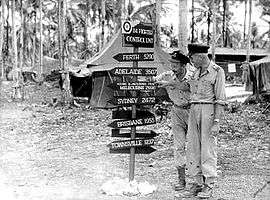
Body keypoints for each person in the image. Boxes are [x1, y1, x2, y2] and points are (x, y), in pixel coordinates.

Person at [183, 44, 226, 198]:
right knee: (193, 148)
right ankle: (197, 182)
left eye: (192, 58)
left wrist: (216, 121)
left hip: (208, 111)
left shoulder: (217, 71)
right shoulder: (195, 73)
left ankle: (209, 184)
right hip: (194, 110)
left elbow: (220, 99)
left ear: (201, 56)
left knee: (208, 149)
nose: (191, 61)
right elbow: (189, 89)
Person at [155, 50, 192, 191]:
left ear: (183, 65)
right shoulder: (167, 75)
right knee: (179, 146)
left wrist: (169, 84)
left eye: (176, 64)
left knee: (195, 146)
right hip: (177, 111)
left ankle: (199, 180)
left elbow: (187, 86)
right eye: (171, 63)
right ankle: (181, 180)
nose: (173, 67)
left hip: (193, 111)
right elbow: (153, 81)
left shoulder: (193, 75)